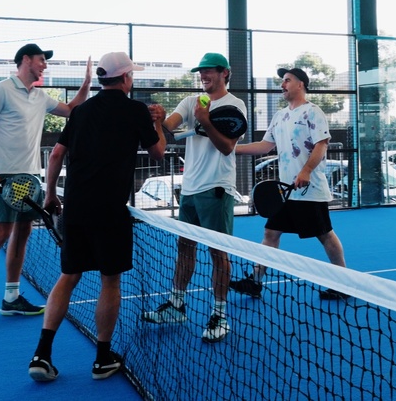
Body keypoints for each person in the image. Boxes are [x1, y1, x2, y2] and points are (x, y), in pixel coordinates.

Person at [28, 51, 166, 382]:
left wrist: (50, 195)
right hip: (109, 210)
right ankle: (103, 359)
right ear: (126, 78)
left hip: (74, 206)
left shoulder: (82, 110)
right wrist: (157, 122)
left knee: (69, 275)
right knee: (110, 279)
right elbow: (159, 152)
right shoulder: (135, 110)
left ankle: (42, 354)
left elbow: (57, 154)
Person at [0, 43, 92, 332]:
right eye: (41, 60)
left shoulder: (41, 97)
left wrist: (86, 84)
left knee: (22, 234)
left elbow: (71, 110)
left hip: (30, 177)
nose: (45, 64)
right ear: (25, 60)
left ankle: (11, 297)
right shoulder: (1, 90)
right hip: (4, 177)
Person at [141, 52, 247, 343]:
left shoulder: (235, 105)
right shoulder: (190, 102)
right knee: (184, 248)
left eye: (209, 71)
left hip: (216, 189)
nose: (203, 76)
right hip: (189, 191)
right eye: (200, 72)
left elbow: (227, 147)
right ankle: (176, 305)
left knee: (218, 253)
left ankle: (220, 315)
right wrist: (159, 119)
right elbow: (168, 128)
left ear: (224, 72)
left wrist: (206, 122)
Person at [229, 67, 349, 300]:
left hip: (309, 189)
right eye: (282, 81)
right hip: (285, 193)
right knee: (271, 233)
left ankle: (344, 283)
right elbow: (265, 146)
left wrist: (305, 170)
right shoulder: (280, 116)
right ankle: (255, 281)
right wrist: (231, 149)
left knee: (324, 234)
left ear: (300, 84)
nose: (282, 85)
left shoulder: (313, 112)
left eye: (287, 80)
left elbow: (321, 145)